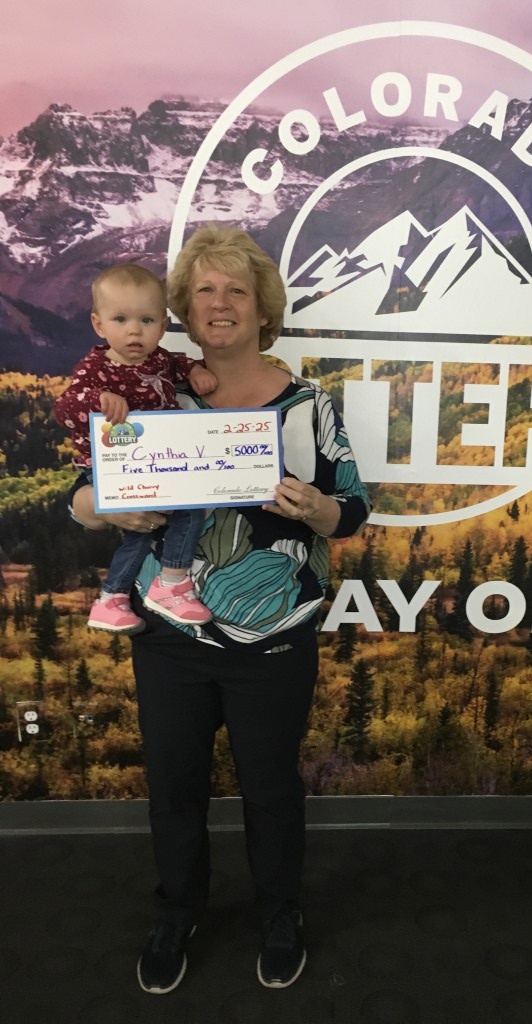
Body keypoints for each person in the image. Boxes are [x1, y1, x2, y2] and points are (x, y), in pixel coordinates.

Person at [69, 225, 371, 994]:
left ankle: (280, 912)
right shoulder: (150, 388)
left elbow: (355, 510)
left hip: (272, 640)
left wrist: (314, 510)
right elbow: (81, 490)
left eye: (236, 289)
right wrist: (106, 509)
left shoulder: (309, 405)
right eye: (204, 289)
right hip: (169, 634)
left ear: (263, 308)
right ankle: (177, 911)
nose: (220, 303)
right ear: (182, 309)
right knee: (174, 787)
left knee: (271, 788)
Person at [55, 263, 218, 633]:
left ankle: (111, 598)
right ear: (99, 325)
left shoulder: (159, 358)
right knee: (188, 510)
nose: (134, 330)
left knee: (142, 532)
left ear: (162, 325)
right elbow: (65, 407)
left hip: (156, 463)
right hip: (113, 465)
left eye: (146, 320)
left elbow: (177, 362)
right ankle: (172, 581)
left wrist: (193, 371)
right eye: (121, 319)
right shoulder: (96, 368)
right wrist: (99, 398)